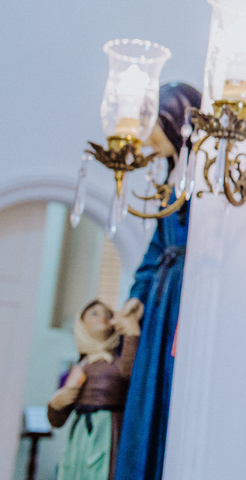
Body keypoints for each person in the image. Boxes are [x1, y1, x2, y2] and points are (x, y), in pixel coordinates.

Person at [114, 81, 201, 480]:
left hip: (182, 298)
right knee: (146, 395)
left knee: (171, 392)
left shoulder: (204, 177)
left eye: (153, 127)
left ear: (175, 123)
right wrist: (138, 296)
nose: (146, 140)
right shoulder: (169, 183)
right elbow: (154, 249)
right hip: (161, 301)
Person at [47, 300, 141, 480]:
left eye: (108, 314)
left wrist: (131, 333)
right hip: (81, 433)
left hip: (109, 430)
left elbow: (132, 373)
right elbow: (58, 420)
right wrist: (57, 403)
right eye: (94, 314)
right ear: (82, 324)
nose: (103, 317)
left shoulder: (117, 363)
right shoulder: (79, 368)